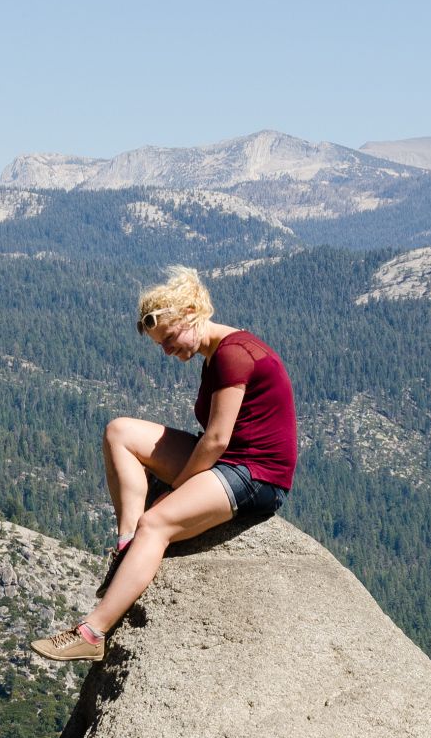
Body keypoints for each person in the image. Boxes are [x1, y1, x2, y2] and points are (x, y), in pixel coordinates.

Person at [31, 265, 297, 662]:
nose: (168, 352)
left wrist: (175, 492)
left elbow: (217, 438)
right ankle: (126, 546)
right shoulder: (216, 354)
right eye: (161, 345)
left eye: (169, 339)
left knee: (156, 524)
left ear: (192, 314)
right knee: (119, 432)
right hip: (230, 461)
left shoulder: (233, 356)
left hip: (256, 475)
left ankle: (92, 632)